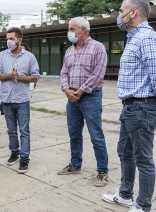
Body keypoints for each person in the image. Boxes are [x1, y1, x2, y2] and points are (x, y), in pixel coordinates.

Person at [102, 1, 156, 211]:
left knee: (143, 159)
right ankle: (125, 195)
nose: (119, 15)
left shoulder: (146, 38)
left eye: (122, 11)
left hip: (142, 108)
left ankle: (143, 205)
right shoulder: (134, 38)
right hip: (131, 108)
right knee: (124, 151)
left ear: (133, 13)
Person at [58, 17, 109, 187]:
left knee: (96, 135)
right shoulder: (69, 51)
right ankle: (75, 165)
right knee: (74, 134)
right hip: (71, 98)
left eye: (72, 29)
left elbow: (98, 74)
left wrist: (80, 91)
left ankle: (102, 171)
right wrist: (66, 90)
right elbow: (64, 72)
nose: (69, 32)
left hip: (90, 97)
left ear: (83, 30)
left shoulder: (98, 48)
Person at [0, 27, 40, 174]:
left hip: (22, 100)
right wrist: (10, 75)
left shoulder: (29, 57)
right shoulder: (2, 55)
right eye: (7, 39)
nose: (8, 41)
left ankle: (24, 158)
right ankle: (14, 152)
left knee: (24, 131)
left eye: (11, 39)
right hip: (7, 99)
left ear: (19, 40)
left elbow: (35, 76)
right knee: (11, 130)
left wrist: (20, 78)